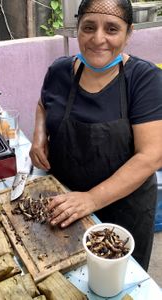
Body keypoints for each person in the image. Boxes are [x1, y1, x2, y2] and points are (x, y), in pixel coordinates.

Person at [29, 0, 162, 271]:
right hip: (63, 202)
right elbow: (43, 104)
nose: (98, 38)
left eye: (112, 29)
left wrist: (90, 199)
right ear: (77, 29)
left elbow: (151, 157)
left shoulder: (144, 79)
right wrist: (39, 135)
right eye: (89, 27)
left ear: (129, 33)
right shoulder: (59, 71)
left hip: (123, 212)